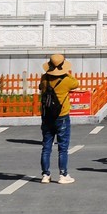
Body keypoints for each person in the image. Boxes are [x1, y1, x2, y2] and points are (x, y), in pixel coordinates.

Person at [39, 53, 80, 183]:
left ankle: (45, 175)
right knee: (63, 148)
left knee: (46, 147)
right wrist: (65, 72)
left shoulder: (44, 78)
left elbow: (40, 87)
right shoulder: (66, 80)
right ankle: (63, 174)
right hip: (62, 115)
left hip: (47, 116)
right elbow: (76, 83)